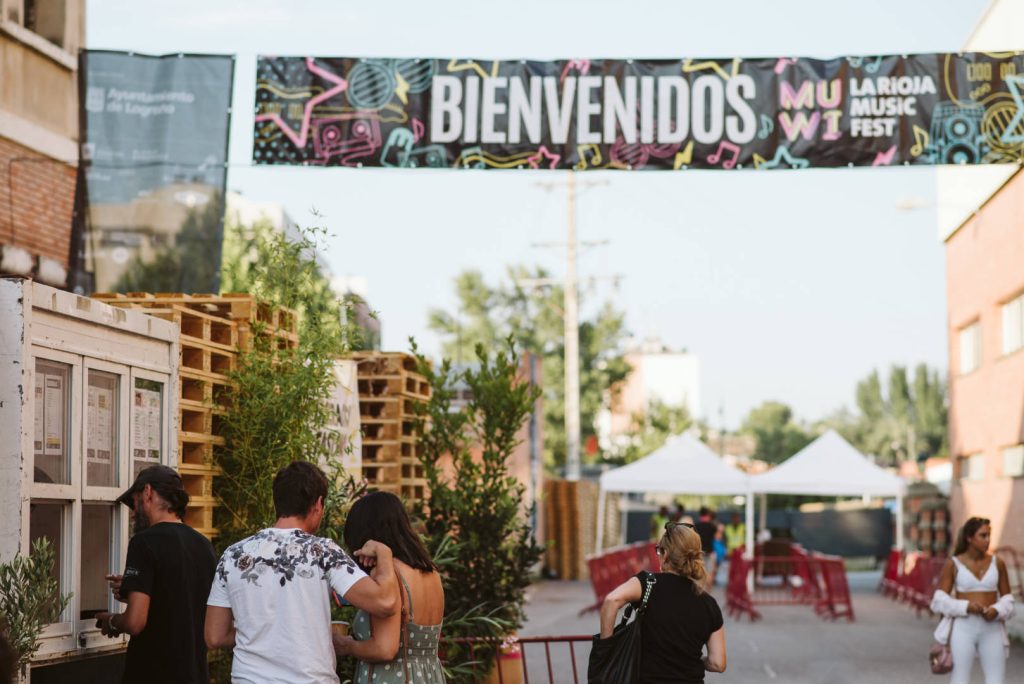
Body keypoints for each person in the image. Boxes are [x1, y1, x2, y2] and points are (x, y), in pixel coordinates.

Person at [205, 461, 398, 684]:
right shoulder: (322, 552)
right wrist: (385, 554)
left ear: (277, 502)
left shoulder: (233, 555)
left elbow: (214, 636)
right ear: (318, 504)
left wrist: (260, 631)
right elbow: (385, 602)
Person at [94, 465, 216, 684]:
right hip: (195, 674)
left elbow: (135, 622)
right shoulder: (204, 545)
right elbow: (184, 602)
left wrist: (112, 621)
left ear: (147, 492)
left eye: (134, 502)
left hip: (154, 674)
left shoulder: (144, 542)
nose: (134, 512)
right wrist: (135, 587)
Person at [335, 491, 445, 683]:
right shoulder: (432, 572)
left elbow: (385, 649)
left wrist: (346, 645)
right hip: (430, 676)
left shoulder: (386, 574)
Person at [600, 521, 726, 682]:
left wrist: (606, 651)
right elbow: (718, 663)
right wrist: (694, 660)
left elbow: (612, 600)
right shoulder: (709, 604)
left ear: (666, 554)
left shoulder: (647, 583)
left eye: (659, 550)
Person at [930, 517, 1015, 684]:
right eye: (982, 535)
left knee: (996, 680)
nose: (987, 540)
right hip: (963, 628)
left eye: (989, 535)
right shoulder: (953, 564)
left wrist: (997, 610)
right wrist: (966, 606)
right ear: (969, 538)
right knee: (960, 678)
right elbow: (939, 600)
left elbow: (1008, 600)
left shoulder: (998, 563)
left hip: (992, 628)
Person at [693, 507, 718, 589]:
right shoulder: (712, 526)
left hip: (700, 552)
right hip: (710, 551)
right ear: (708, 514)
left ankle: (701, 590)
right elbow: (717, 537)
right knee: (710, 572)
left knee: (700, 572)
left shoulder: (696, 526)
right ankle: (709, 590)